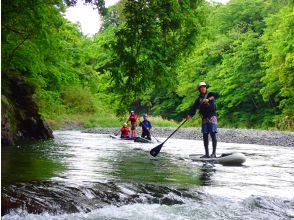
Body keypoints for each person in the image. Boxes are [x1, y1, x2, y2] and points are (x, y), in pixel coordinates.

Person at [186, 82, 220, 158]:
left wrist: (208, 99)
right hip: (204, 118)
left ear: (206, 88)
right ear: (199, 89)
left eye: (204, 87)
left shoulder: (210, 94)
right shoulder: (198, 99)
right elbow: (193, 108)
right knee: (205, 135)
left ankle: (214, 153)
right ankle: (207, 154)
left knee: (213, 134)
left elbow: (218, 95)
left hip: (212, 116)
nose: (203, 88)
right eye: (201, 87)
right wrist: (189, 115)